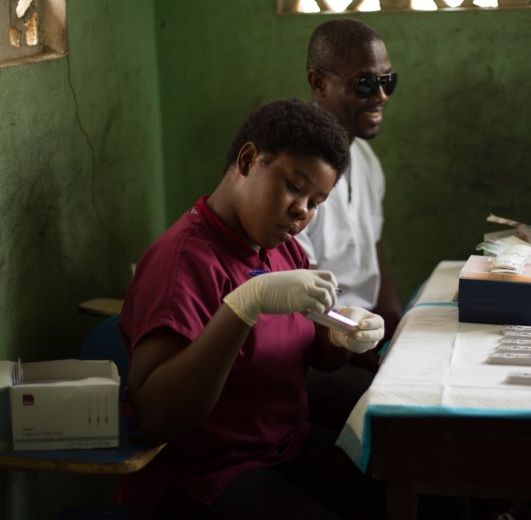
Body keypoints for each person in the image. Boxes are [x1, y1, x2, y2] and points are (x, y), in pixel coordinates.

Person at [117, 98, 385, 519]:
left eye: (315, 202)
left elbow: (316, 354)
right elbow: (157, 417)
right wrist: (242, 307)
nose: (301, 211)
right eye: (294, 186)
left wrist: (342, 334)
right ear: (248, 160)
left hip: (285, 447)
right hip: (205, 475)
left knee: (410, 483)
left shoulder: (282, 250)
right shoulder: (181, 263)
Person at [298, 18, 404, 428]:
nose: (381, 96)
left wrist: (397, 336)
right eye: (364, 84)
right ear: (319, 82)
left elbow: (374, 254)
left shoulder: (364, 159)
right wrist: (371, 356)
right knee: (402, 413)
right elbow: (305, 305)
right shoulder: (297, 174)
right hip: (317, 354)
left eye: (387, 81)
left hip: (360, 340)